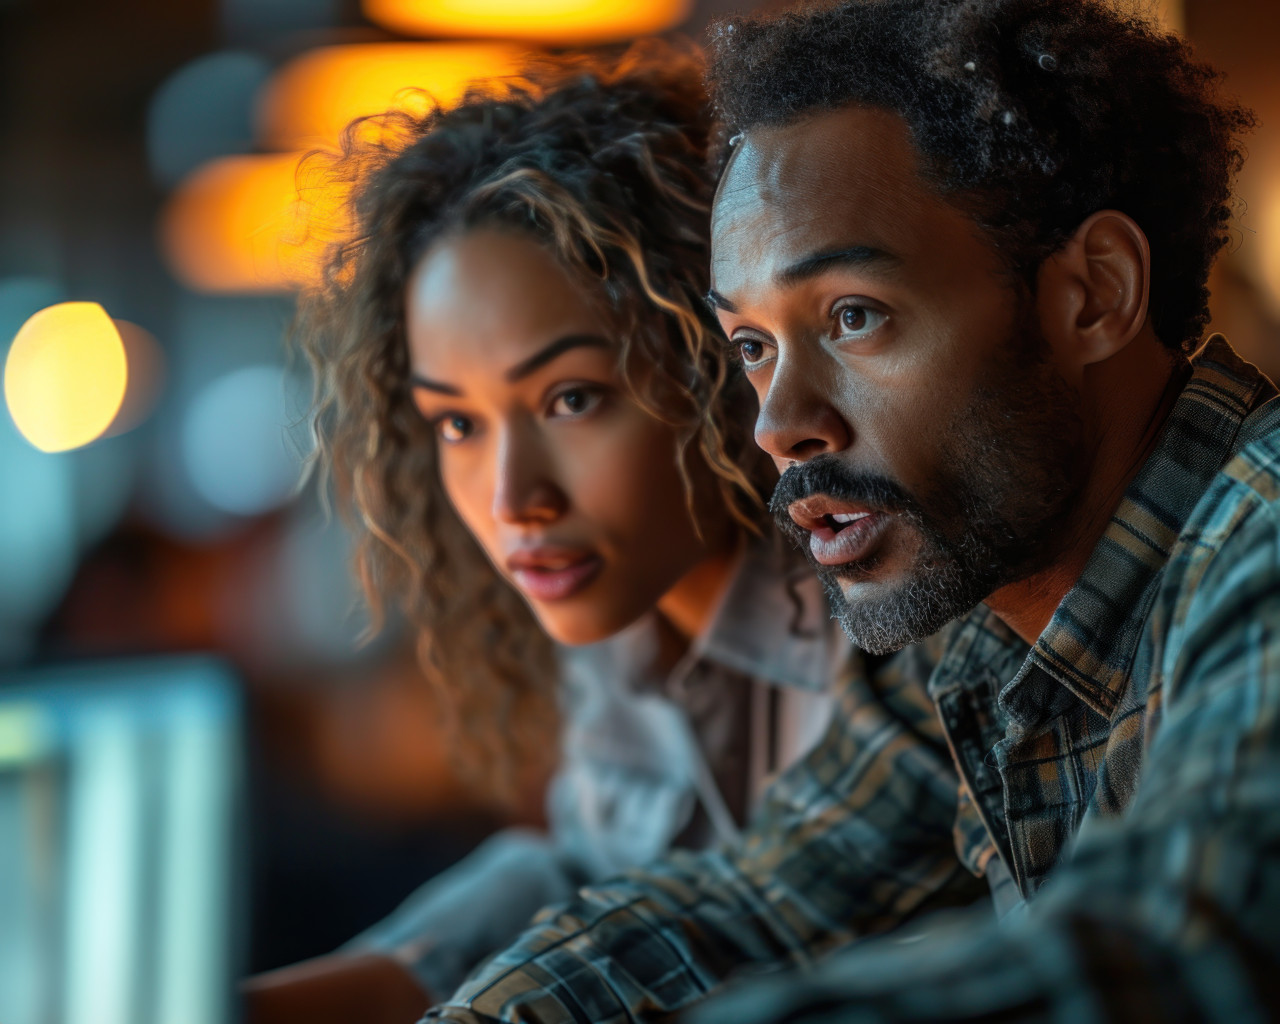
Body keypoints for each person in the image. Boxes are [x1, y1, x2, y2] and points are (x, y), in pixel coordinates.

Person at [422, 1, 1280, 1021]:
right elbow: (750, 908)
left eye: (852, 317)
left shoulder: (1259, 536)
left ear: (1091, 295)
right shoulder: (972, 633)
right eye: (752, 347)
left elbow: (1178, 948)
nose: (776, 425)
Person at [242, 44, 847, 1024]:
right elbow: (580, 876)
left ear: (717, 364)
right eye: (457, 423)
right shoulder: (619, 620)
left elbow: (726, 942)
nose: (511, 497)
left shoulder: (871, 628)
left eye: (570, 398)